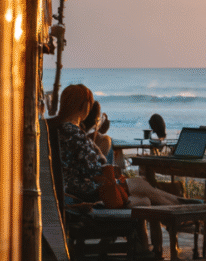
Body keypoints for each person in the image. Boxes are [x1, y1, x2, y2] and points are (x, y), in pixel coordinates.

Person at [52, 84, 180, 209]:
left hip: (71, 190)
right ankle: (181, 207)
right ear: (85, 105)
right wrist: (112, 172)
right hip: (88, 193)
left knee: (143, 193)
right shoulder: (73, 133)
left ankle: (179, 205)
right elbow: (94, 170)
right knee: (141, 190)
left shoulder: (56, 128)